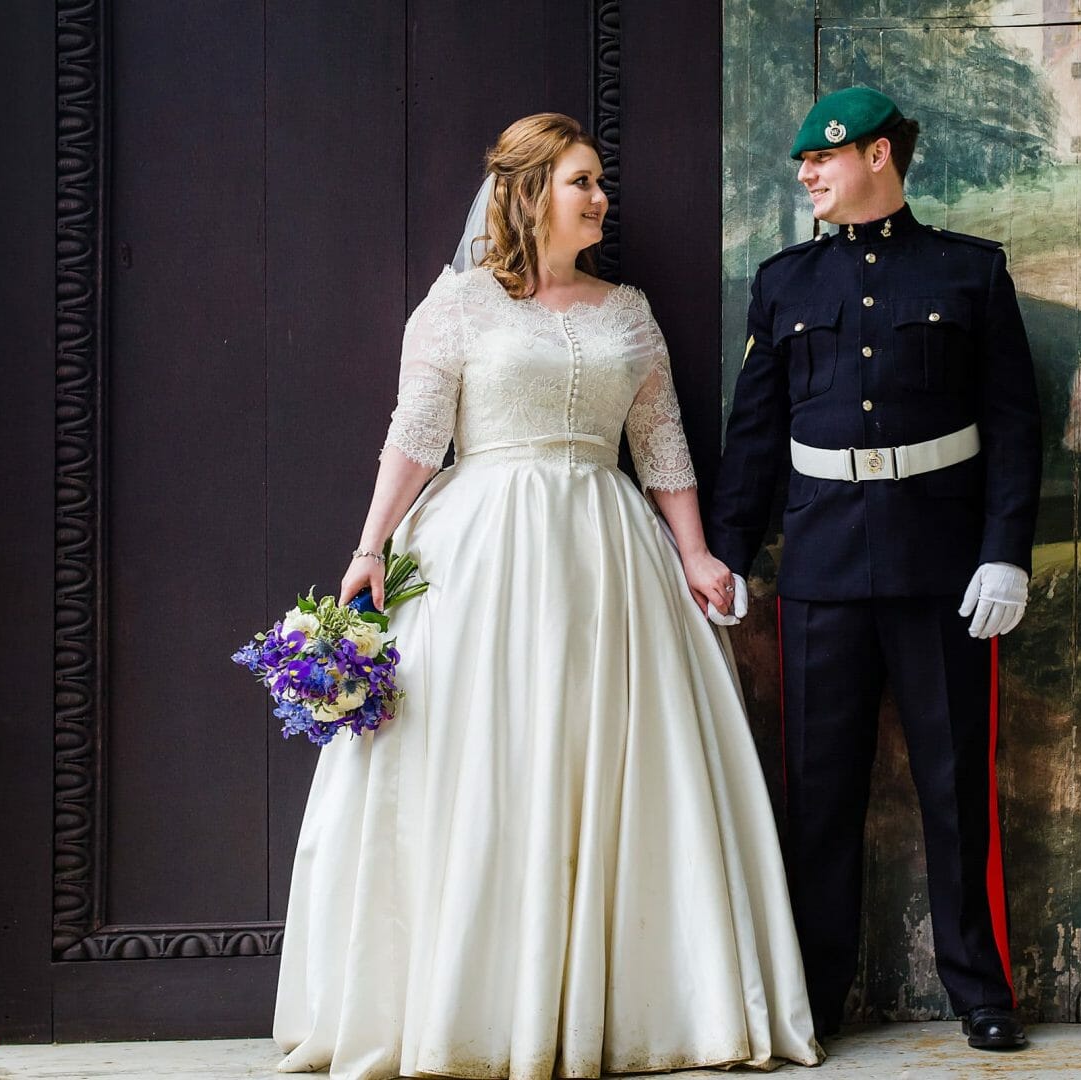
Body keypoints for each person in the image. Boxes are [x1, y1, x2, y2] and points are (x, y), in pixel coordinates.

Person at [273, 113, 821, 1080]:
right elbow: (414, 436)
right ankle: (469, 1009)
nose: (600, 198)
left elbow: (661, 448)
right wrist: (368, 550)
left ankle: (626, 1003)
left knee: (608, 756)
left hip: (608, 556)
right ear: (527, 194)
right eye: (582, 181)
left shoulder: (630, 310)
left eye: (599, 180)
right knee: (482, 757)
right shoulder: (456, 306)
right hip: (479, 549)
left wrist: (694, 554)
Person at [708, 86, 1042, 1051]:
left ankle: (982, 992)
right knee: (819, 796)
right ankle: (817, 993)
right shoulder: (783, 285)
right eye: (803, 162)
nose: (807, 173)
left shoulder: (969, 274)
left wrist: (1003, 554)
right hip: (819, 567)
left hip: (943, 569)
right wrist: (727, 556)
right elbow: (755, 436)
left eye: (824, 157)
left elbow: (1015, 429)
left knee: (956, 791)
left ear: (880, 157)